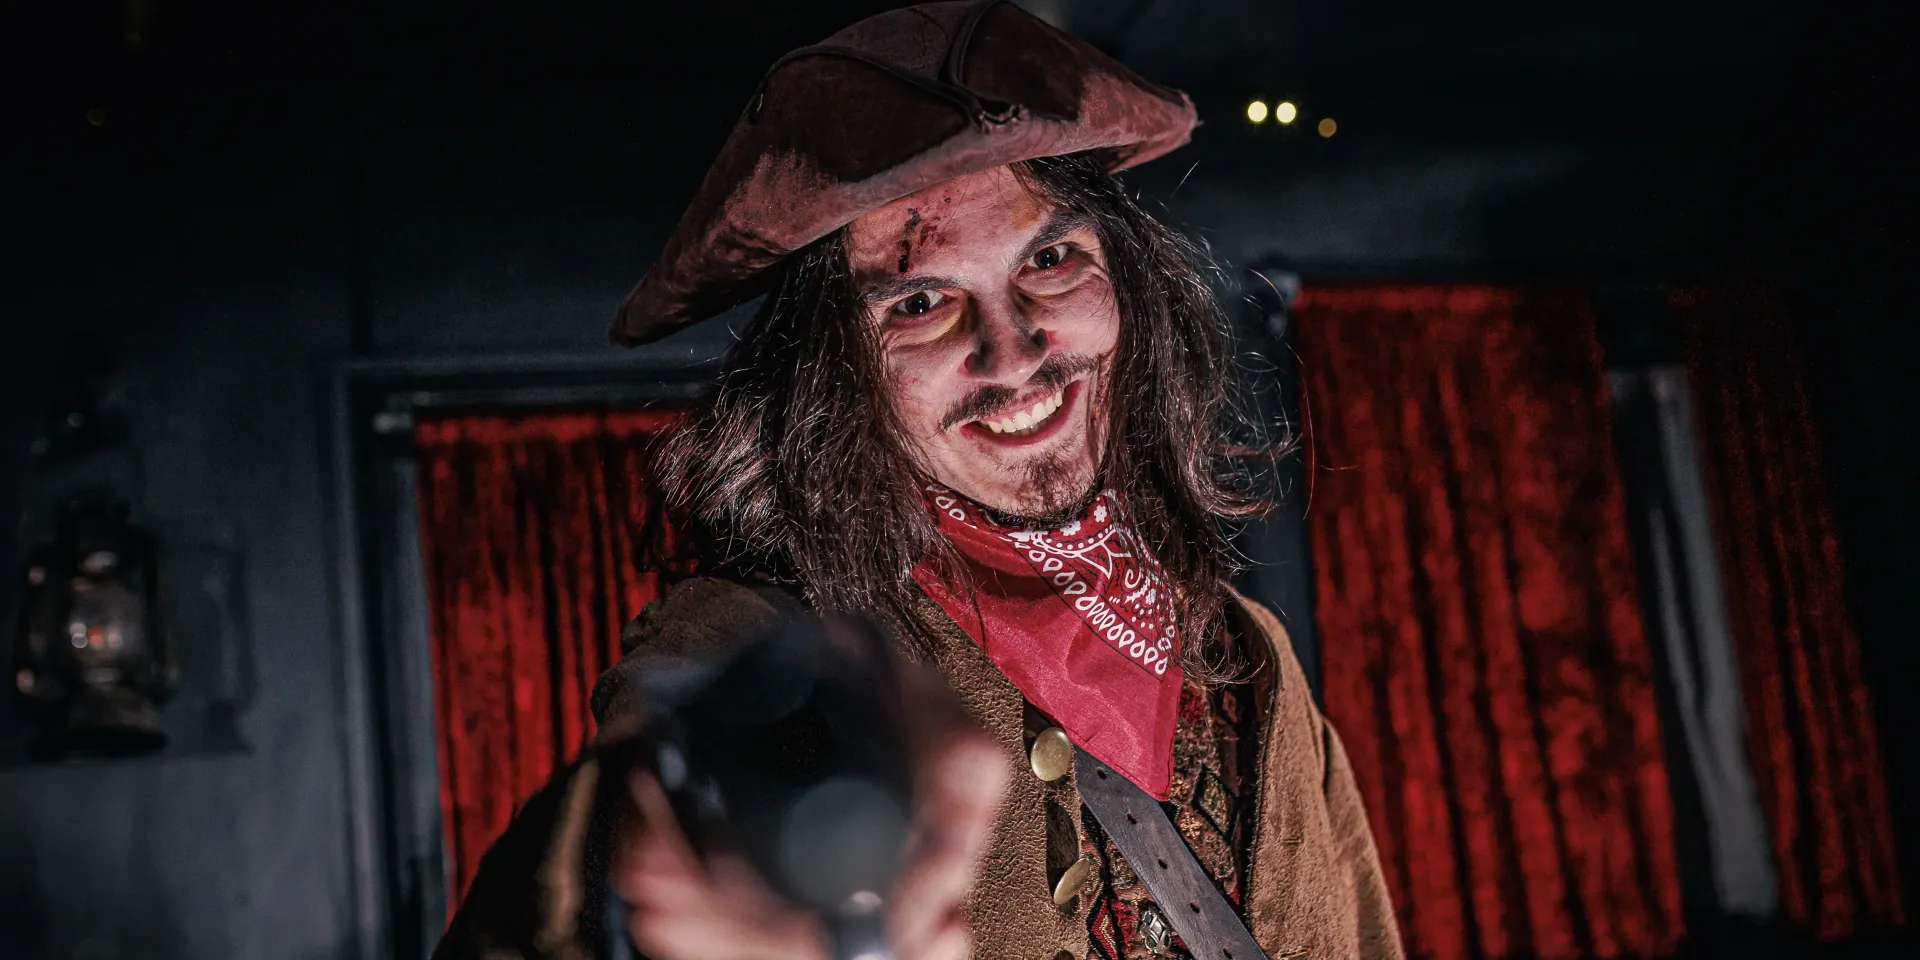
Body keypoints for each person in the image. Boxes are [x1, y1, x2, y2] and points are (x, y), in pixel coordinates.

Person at [433, 3, 1402, 959]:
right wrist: (647, 906)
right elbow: (592, 884)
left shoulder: (1251, 657)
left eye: (1051, 259)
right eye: (923, 302)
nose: (1014, 352)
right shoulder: (766, 659)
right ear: (832, 372)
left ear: (1129, 285)